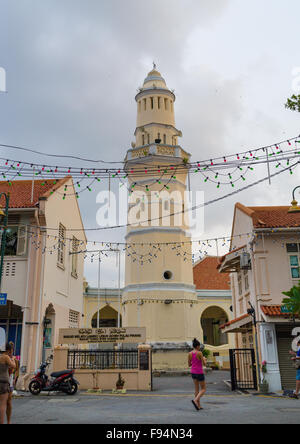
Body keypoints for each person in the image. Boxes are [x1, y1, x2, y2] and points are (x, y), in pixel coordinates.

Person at [188, 338, 207, 411]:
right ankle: (195, 400)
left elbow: (189, 364)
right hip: (199, 372)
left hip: (193, 372)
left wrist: (195, 362)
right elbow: (204, 364)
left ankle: (198, 405)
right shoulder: (199, 353)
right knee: (203, 389)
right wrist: (204, 359)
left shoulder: (190, 353)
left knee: (196, 389)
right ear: (198, 346)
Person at [0, 342, 16, 424]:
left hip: (8, 381)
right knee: (3, 403)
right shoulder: (6, 357)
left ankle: (8, 421)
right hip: (4, 382)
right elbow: (13, 366)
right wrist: (12, 359)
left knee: (8, 402)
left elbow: (14, 370)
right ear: (9, 350)